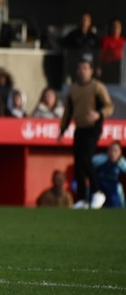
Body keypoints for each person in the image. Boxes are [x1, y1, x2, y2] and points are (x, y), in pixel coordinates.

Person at [60, 57, 115, 209]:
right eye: (79, 68)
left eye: (85, 68)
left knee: (86, 159)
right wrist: (62, 129)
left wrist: (99, 114)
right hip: (79, 127)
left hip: (93, 127)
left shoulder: (97, 87)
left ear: (91, 71)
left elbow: (109, 106)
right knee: (78, 162)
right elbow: (68, 111)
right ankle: (82, 199)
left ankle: (97, 192)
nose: (82, 71)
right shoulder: (73, 89)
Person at [94, 141, 126, 209]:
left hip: (113, 191)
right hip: (99, 190)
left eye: (116, 151)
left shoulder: (122, 163)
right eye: (111, 150)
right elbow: (87, 166)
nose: (113, 153)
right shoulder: (100, 159)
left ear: (120, 153)